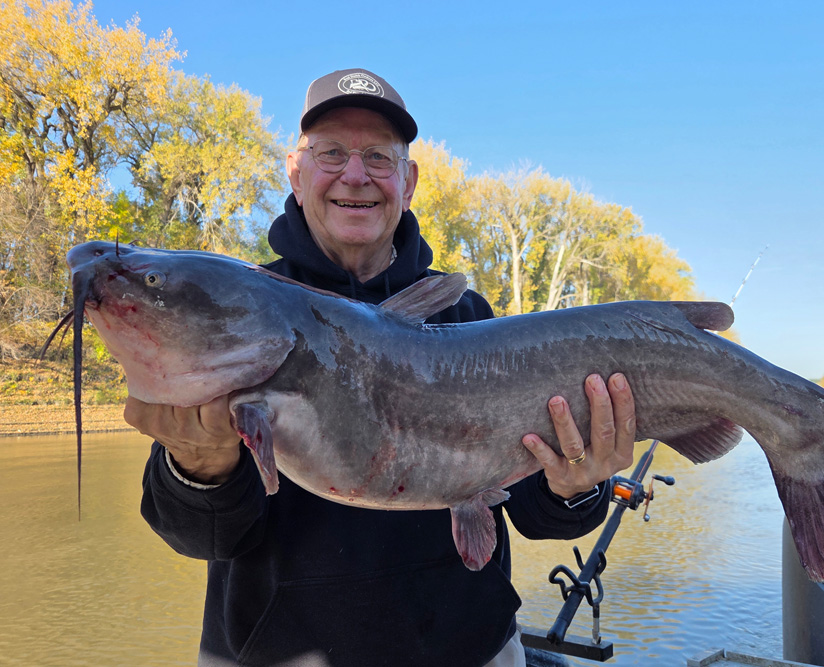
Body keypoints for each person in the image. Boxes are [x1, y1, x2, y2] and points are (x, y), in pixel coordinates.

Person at [126, 68, 636, 667]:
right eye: (332, 152)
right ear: (295, 172)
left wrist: (577, 485)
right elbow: (201, 539)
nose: (354, 174)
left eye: (377, 156)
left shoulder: (466, 315)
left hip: (470, 650)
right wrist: (199, 469)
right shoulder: (243, 310)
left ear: (408, 181)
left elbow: (536, 515)